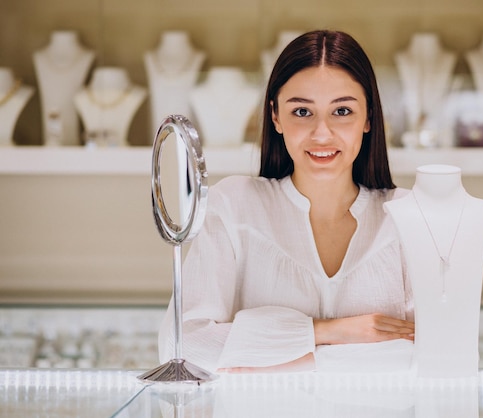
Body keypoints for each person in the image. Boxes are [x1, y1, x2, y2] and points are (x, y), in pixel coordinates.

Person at [158, 29, 414, 373]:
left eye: (342, 111)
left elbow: (433, 353)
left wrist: (259, 360)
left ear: (369, 117)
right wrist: (327, 332)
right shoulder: (232, 207)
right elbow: (182, 346)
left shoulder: (410, 217)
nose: (322, 133)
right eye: (302, 112)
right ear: (275, 116)